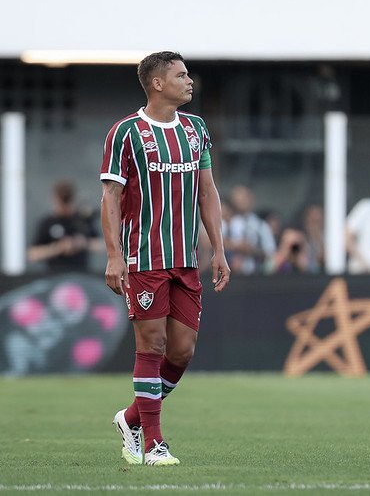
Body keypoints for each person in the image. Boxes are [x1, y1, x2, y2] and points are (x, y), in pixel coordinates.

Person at [100, 51, 230, 466]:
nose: (189, 81)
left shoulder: (196, 129)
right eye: (181, 75)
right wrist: (114, 256)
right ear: (157, 83)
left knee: (182, 351)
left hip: (185, 259)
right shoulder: (125, 132)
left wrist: (219, 249)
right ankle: (154, 444)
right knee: (152, 343)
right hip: (144, 257)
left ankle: (131, 419)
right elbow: (110, 196)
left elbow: (207, 191)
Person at [28, 179, 102, 272]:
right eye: (62, 202)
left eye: (68, 201)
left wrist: (83, 243)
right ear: (54, 199)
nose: (65, 207)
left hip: (81, 273)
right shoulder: (47, 222)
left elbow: (102, 245)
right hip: (54, 274)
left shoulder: (82, 220)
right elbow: (33, 254)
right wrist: (58, 248)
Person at [226, 185, 276, 275]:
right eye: (237, 199)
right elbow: (211, 245)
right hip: (228, 273)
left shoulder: (260, 226)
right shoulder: (225, 224)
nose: (240, 202)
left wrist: (252, 250)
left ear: (251, 199)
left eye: (243, 198)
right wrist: (234, 246)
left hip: (254, 275)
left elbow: (270, 252)